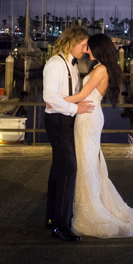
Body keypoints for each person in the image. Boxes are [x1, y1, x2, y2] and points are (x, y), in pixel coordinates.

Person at [63, 33, 133, 238]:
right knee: (87, 162)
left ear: (99, 49)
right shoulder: (99, 67)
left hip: (88, 118)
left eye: (89, 47)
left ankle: (91, 209)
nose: (86, 50)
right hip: (87, 116)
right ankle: (89, 203)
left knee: (87, 164)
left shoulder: (100, 70)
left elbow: (81, 96)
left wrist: (56, 99)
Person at [43, 25, 94, 242]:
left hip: (64, 120)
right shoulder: (55, 64)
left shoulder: (71, 65)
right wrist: (75, 109)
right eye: (83, 45)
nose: (85, 50)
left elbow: (70, 94)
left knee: (59, 168)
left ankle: (52, 218)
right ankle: (60, 226)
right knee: (68, 168)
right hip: (57, 120)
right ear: (73, 42)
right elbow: (50, 96)